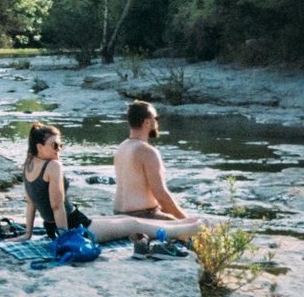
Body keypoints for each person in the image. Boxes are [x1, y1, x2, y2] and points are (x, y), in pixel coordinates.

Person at [20, 123, 184, 244]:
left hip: (53, 228)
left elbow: (30, 202)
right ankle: (186, 228)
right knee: (132, 223)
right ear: (39, 147)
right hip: (75, 227)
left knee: (122, 218)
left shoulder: (28, 164)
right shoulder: (53, 166)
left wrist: (28, 234)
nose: (59, 149)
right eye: (54, 145)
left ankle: (179, 223)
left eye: (60, 145)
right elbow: (57, 206)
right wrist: (65, 240)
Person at [113, 101, 200, 232]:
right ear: (147, 122)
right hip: (142, 215)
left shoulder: (122, 147)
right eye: (156, 118)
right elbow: (161, 196)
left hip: (118, 213)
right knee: (198, 230)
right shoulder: (146, 151)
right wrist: (185, 221)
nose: (157, 122)